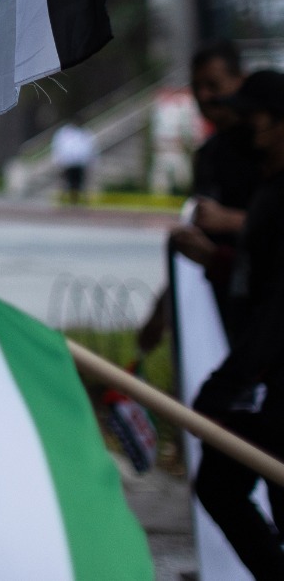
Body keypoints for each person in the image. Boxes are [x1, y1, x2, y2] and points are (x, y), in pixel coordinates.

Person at [191, 69, 284, 580]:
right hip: (264, 380)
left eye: (255, 118)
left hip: (272, 382)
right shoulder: (267, 189)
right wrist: (216, 259)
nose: (245, 127)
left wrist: (226, 385)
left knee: (228, 486)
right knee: (221, 485)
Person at [138, 40, 258, 351]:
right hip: (226, 297)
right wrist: (162, 311)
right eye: (197, 87)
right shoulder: (210, 155)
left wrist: (232, 221)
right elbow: (199, 235)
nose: (204, 96)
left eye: (214, 85)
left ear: (240, 82)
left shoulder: (267, 146)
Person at [50, 121, 97, 204]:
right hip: (68, 162)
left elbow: (91, 148)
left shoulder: (84, 133)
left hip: (80, 163)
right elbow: (58, 147)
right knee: (67, 182)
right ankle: (64, 199)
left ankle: (81, 200)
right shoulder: (65, 133)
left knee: (80, 183)